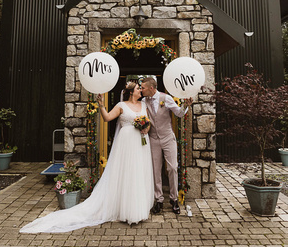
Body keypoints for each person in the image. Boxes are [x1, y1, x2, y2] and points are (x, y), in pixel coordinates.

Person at [20, 82, 154, 233]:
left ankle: (138, 209)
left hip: (141, 143)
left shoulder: (144, 106)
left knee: (138, 173)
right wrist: (102, 105)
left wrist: (145, 128)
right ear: (131, 92)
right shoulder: (121, 105)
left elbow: (148, 124)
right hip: (126, 144)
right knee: (126, 173)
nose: (140, 91)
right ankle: (126, 210)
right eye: (138, 89)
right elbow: (107, 118)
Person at [140, 77, 191, 215]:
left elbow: (179, 114)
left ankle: (174, 200)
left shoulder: (166, 98)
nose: (141, 89)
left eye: (143, 87)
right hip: (153, 138)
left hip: (168, 138)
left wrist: (185, 106)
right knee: (156, 170)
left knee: (172, 168)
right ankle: (159, 200)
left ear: (151, 88)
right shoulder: (144, 101)